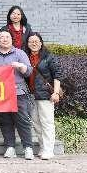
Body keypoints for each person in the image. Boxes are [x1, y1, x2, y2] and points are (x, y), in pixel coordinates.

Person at [0, 27, 35, 160]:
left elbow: (29, 72)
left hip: (18, 92)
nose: (4, 39)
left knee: (22, 120)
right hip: (0, 93)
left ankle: (28, 147)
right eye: (1, 37)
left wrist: (21, 66)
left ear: (12, 39)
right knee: (5, 120)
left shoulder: (19, 53)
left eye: (7, 37)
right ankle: (10, 147)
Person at [25, 32, 61, 160]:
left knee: (47, 123)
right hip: (31, 95)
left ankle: (49, 150)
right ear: (27, 44)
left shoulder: (48, 57)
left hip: (45, 95)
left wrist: (56, 92)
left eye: (36, 41)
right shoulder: (25, 56)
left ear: (41, 43)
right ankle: (42, 147)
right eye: (31, 41)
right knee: (36, 123)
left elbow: (57, 75)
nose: (34, 43)